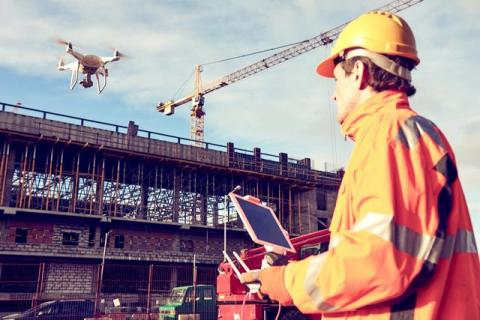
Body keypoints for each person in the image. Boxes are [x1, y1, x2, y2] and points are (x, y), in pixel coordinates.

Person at [241, 10, 480, 319]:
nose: (334, 96)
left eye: (336, 79)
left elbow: (380, 260)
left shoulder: (389, 136)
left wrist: (286, 280)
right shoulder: (410, 134)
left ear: (359, 74)